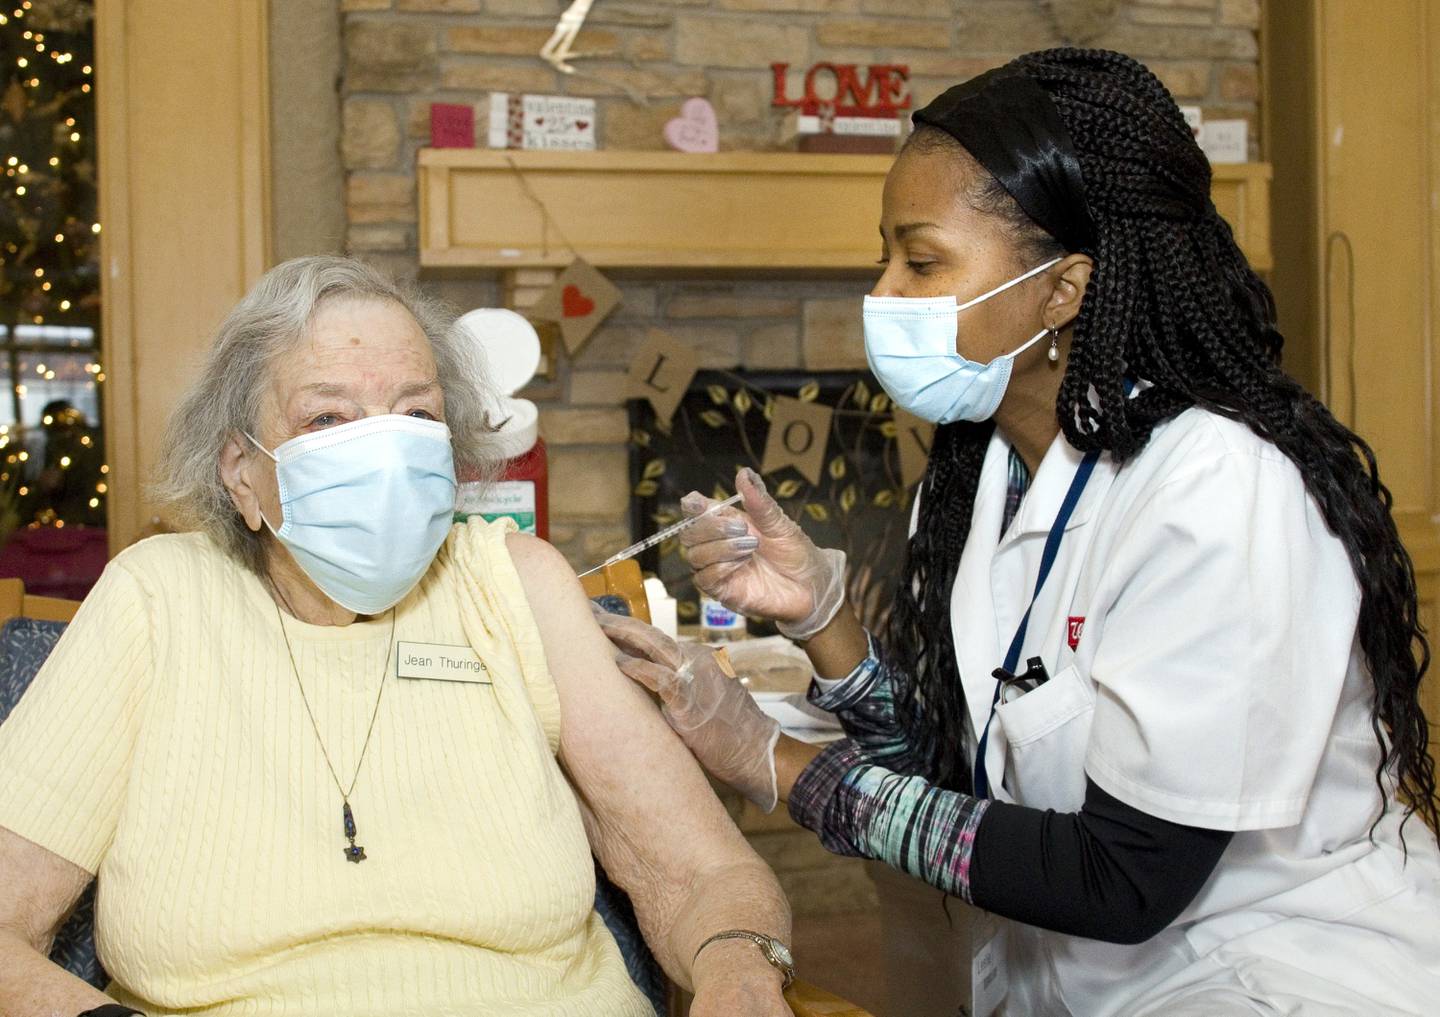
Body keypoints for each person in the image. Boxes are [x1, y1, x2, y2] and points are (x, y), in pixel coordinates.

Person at [596, 48, 1440, 1016]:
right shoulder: (985, 481)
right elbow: (952, 788)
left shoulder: (1214, 491)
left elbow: (1126, 877)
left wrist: (779, 764)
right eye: (885, 257)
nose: (883, 294)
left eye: (922, 260)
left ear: (1063, 288)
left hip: (1275, 979)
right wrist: (824, 624)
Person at [0, 256, 794, 1017]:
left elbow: (704, 871)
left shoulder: (517, 584)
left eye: (416, 414)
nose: (382, 452)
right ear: (242, 471)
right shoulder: (155, 597)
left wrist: (738, 974)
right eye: (327, 417)